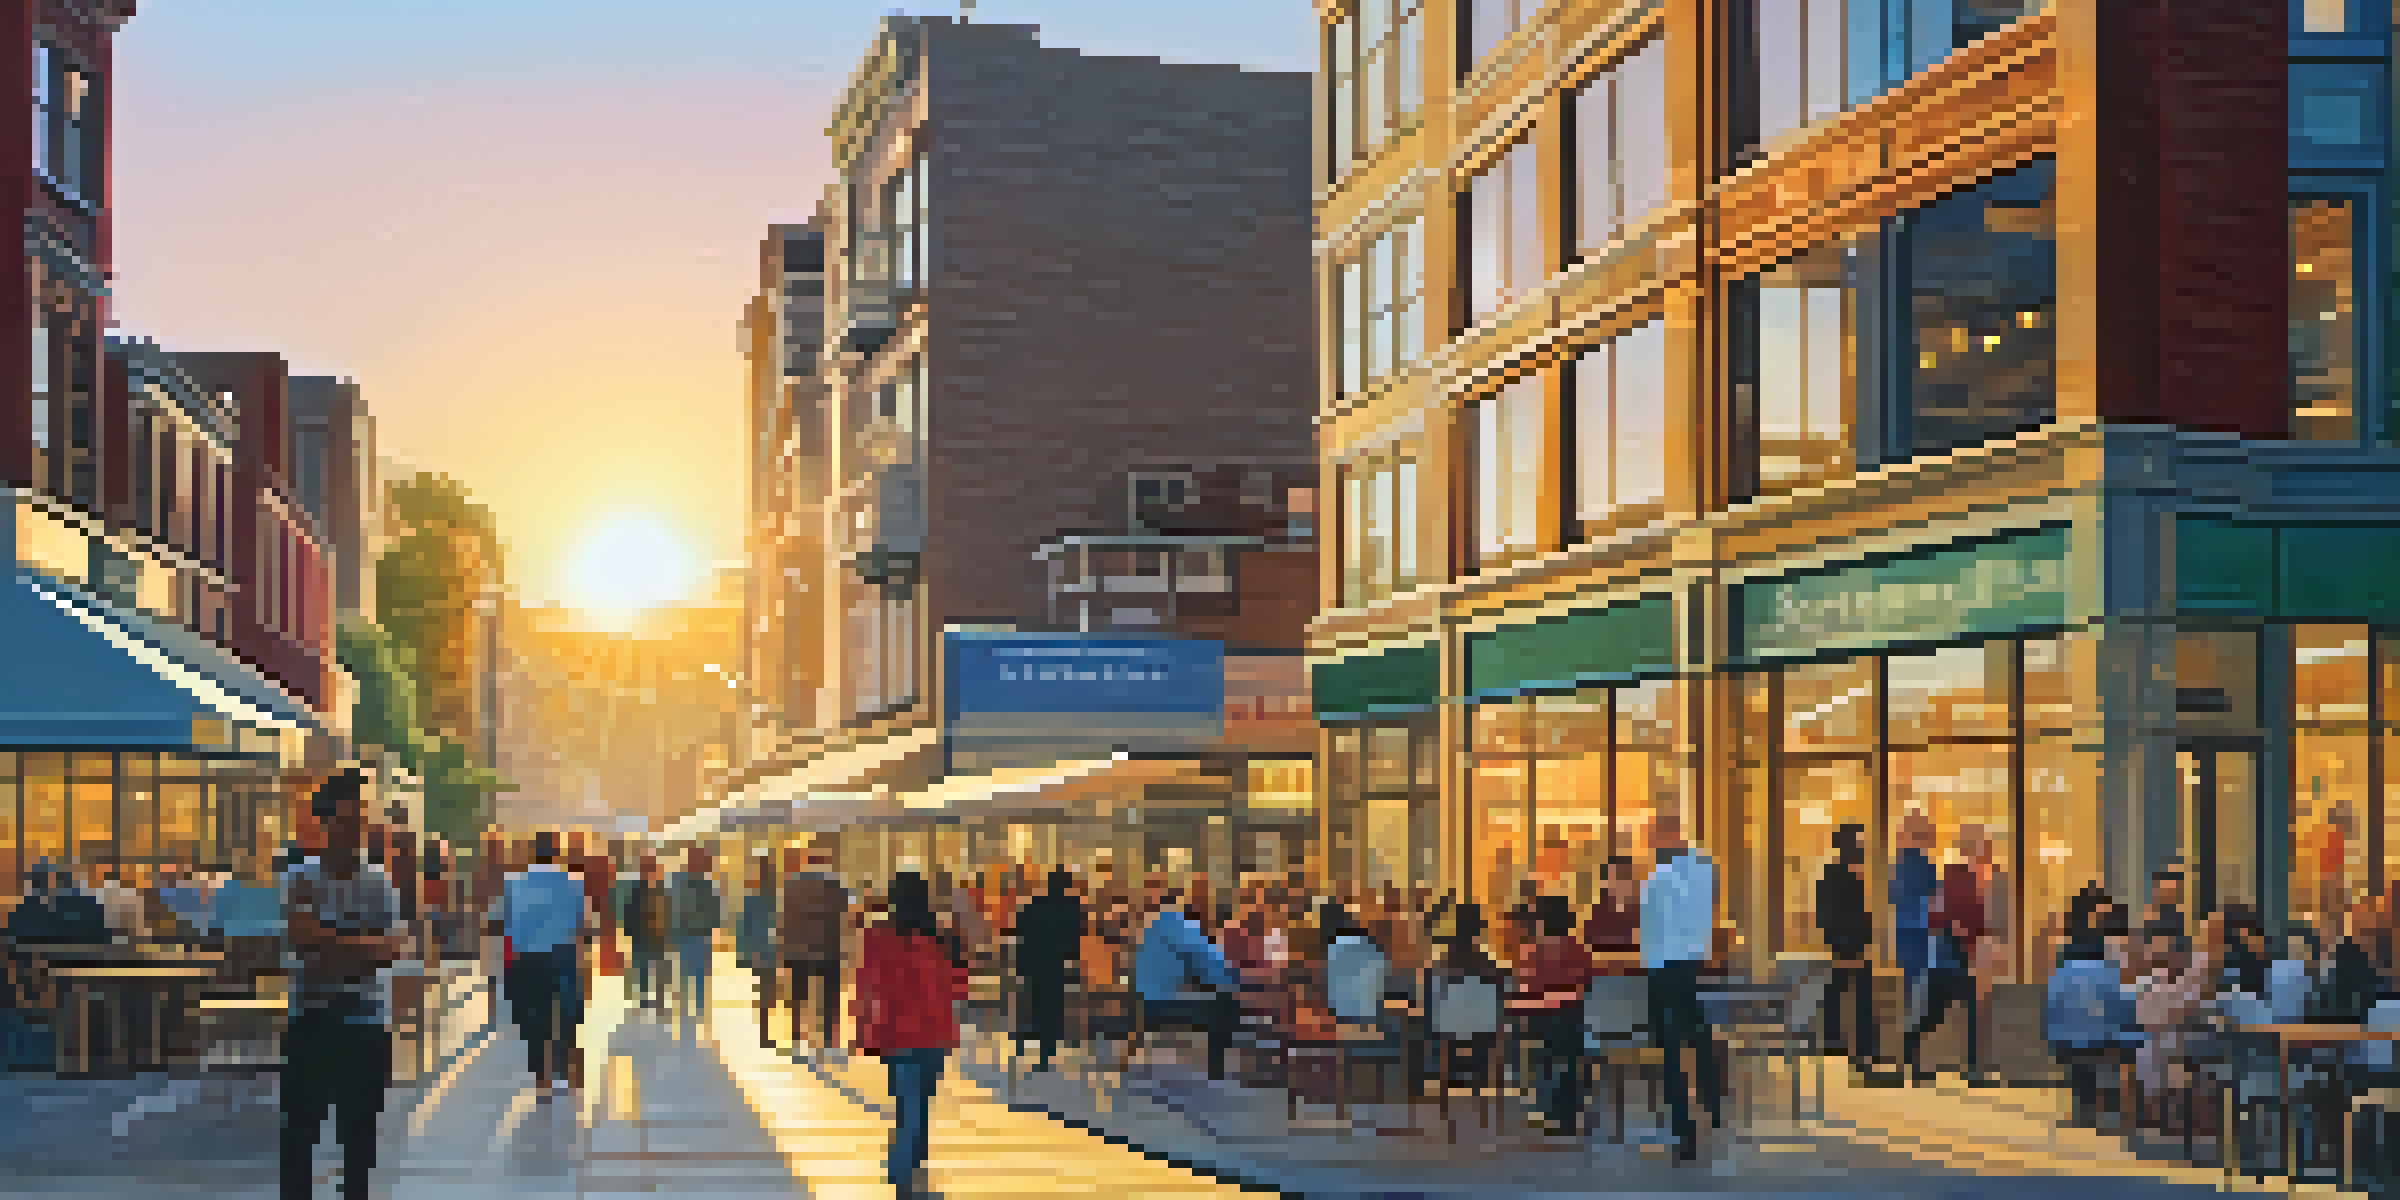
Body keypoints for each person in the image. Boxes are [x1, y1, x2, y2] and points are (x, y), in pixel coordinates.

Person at [281, 769, 407, 1200]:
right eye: (348, 819)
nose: (356, 829)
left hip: (366, 1026)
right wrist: (361, 949)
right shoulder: (300, 877)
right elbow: (301, 941)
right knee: (298, 1143)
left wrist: (327, 940)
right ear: (327, 822)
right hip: (310, 1022)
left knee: (359, 1146)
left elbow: (392, 949)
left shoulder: (379, 881)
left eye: (361, 819)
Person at [854, 870, 967, 1199]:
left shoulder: (875, 937)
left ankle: (901, 1170)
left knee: (907, 1102)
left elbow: (866, 986)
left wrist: (862, 1029)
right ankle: (912, 1162)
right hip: (935, 1031)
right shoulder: (943, 937)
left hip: (896, 1031)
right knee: (922, 1101)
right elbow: (960, 985)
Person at [489, 830, 594, 1096]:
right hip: (564, 956)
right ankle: (562, 1072)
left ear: (532, 852)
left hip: (527, 960)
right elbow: (585, 927)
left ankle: (540, 1078)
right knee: (565, 1015)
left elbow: (500, 924)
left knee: (534, 1018)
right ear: (556, 852)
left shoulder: (514, 884)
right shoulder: (573, 883)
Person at [1642, 811, 1721, 1162]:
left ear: (1666, 834)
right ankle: (1711, 1104)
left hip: (1665, 967)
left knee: (1672, 1051)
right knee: (1699, 1036)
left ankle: (1683, 1130)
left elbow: (1653, 926)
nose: (1648, 844)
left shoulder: (1661, 876)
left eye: (1651, 836)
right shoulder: (1706, 868)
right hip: (1695, 964)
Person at [1133, 886, 1246, 1081]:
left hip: (1142, 999)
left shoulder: (1155, 926)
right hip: (1160, 1003)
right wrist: (1242, 981)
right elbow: (1213, 966)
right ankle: (1217, 1069)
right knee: (1226, 1004)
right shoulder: (1179, 926)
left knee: (1218, 997)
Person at [1508, 894, 1599, 1135]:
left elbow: (1527, 989)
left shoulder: (1532, 951)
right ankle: (1570, 1111)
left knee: (1545, 1058)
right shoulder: (1579, 949)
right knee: (1570, 1060)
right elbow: (1589, 985)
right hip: (1573, 1023)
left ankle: (1548, 1109)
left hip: (1541, 1023)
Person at [1904, 825, 1987, 1084]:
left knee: (1946, 1012)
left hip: (1951, 957)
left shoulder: (1963, 883)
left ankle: (1968, 1067)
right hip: (1949, 956)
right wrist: (1955, 927)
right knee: (1940, 1011)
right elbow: (1941, 916)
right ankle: (1915, 1057)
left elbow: (1975, 921)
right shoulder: (1955, 881)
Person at [2045, 917, 2141, 1129]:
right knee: (2118, 1050)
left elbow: (2052, 1010)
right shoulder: (2111, 974)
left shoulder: (2063, 972)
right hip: (2103, 1042)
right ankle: (2113, 1111)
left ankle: (2085, 1110)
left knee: (2082, 1057)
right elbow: (2123, 1015)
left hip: (2066, 1042)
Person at [780, 846, 850, 1055]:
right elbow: (844, 911)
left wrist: (784, 948)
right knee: (829, 998)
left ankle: (796, 1040)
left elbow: (786, 917)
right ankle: (828, 1041)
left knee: (798, 997)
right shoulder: (835, 884)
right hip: (828, 947)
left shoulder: (792, 884)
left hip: (799, 948)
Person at [1012, 867, 1085, 1071]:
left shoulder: (1035, 903)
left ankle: (1024, 1040)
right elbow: (1077, 936)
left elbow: (1020, 929)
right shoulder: (1072, 906)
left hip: (1034, 963)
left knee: (1033, 1002)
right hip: (1057, 964)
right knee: (1054, 1007)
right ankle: (1047, 1050)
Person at [1817, 824, 1876, 1070]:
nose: (1861, 847)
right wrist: (1839, 941)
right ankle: (1835, 1043)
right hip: (1843, 945)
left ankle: (1862, 1047)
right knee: (1838, 992)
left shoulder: (1862, 873)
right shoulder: (1833, 873)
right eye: (1858, 841)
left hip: (1858, 945)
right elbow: (1827, 913)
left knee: (1860, 993)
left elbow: (1864, 912)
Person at [668, 846, 722, 1021]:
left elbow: (672, 909)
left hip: (691, 937)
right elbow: (715, 913)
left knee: (689, 975)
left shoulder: (681, 881)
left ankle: (691, 1010)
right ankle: (696, 1010)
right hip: (694, 937)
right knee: (694, 976)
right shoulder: (703, 883)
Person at [737, 851, 781, 1048]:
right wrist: (745, 954)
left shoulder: (775, 898)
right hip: (763, 952)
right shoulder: (757, 898)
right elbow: (744, 927)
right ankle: (765, 1030)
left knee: (769, 992)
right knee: (767, 991)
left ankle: (766, 1028)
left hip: (770, 950)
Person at [618, 852, 671, 1012]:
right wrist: (629, 930)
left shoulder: (662, 887)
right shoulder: (637, 888)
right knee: (643, 967)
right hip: (642, 933)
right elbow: (629, 910)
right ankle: (644, 998)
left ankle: (658, 997)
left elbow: (668, 910)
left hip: (657, 933)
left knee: (658, 966)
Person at [1324, 901, 1391, 1027]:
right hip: (1370, 1013)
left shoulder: (1334, 949)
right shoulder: (1368, 944)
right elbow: (1382, 973)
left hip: (1343, 1015)